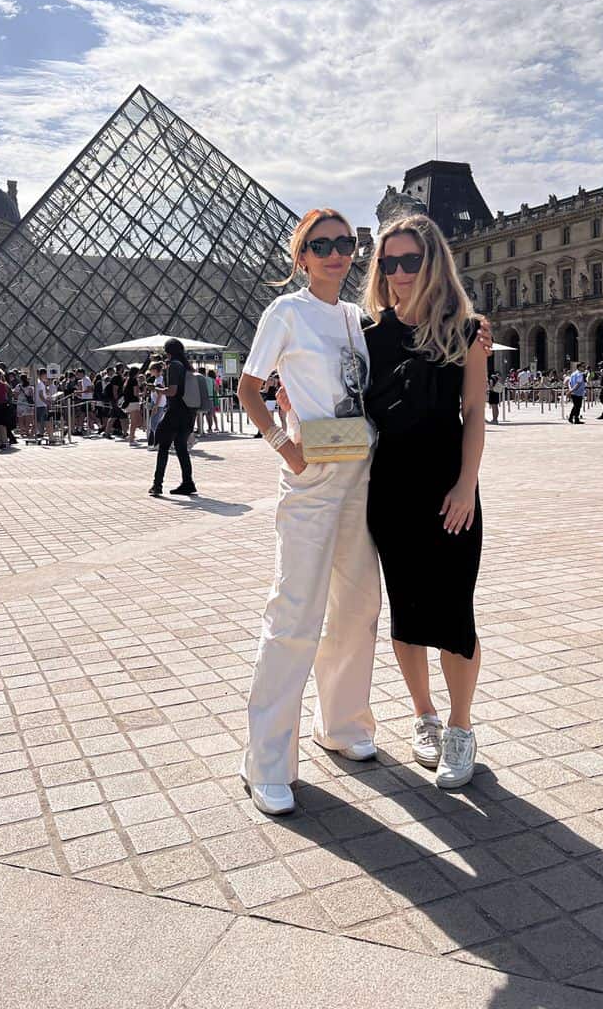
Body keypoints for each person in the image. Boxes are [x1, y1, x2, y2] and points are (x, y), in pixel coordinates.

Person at [236, 208, 381, 817]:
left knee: (358, 607)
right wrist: (284, 447)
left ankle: (341, 723)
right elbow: (249, 387)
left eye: (345, 243)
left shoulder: (356, 318)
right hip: (313, 473)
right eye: (321, 245)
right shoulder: (286, 312)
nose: (335, 253)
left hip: (363, 472)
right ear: (301, 256)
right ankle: (266, 758)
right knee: (294, 611)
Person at [363, 214, 486, 789]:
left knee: (455, 613)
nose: (400, 272)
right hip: (390, 491)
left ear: (433, 262)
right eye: (389, 262)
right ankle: (424, 717)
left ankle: (461, 729)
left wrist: (467, 484)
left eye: (411, 260)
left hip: (449, 491)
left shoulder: (467, 330)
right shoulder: (368, 338)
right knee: (407, 613)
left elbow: (475, 416)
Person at [149, 339, 197, 497]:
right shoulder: (186, 366)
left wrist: (157, 389)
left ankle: (157, 485)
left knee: (163, 446)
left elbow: (173, 391)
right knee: (181, 447)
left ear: (167, 351)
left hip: (176, 411)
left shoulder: (173, 366)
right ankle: (188, 483)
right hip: (188, 411)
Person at [147, 362, 167, 447]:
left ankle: (157, 443)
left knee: (154, 424)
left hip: (158, 404)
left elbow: (160, 394)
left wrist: (156, 405)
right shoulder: (157, 379)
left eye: (151, 370)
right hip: (158, 403)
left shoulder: (159, 379)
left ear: (155, 370)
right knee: (156, 423)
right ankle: (157, 443)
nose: (150, 372)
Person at [123, 367, 144, 444]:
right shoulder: (134, 381)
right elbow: (135, 393)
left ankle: (131, 436)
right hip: (134, 402)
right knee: (135, 422)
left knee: (135, 421)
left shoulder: (127, 380)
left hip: (129, 402)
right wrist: (141, 394)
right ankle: (131, 439)